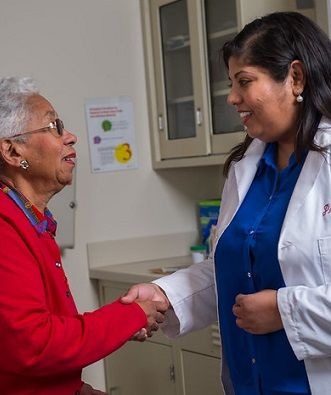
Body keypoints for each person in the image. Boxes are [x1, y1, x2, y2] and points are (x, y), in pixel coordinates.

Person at [122, 11, 331, 395]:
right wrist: (166, 294)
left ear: (295, 78)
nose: (232, 98)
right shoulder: (246, 167)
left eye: (244, 81)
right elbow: (234, 270)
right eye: (231, 83)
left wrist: (286, 311)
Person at [0, 76, 167, 395]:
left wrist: (123, 322)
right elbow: (33, 347)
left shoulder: (25, 216)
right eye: (54, 126)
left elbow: (46, 333)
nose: (70, 137)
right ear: (13, 151)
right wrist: (130, 315)